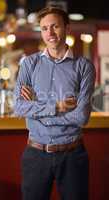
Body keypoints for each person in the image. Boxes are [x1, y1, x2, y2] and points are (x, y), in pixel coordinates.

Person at [14, 6, 96, 200]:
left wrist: (37, 111)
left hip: (72, 155)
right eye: (44, 28)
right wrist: (57, 107)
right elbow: (18, 107)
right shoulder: (28, 64)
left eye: (55, 26)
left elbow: (81, 117)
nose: (49, 33)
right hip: (35, 154)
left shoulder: (84, 67)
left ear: (67, 29)